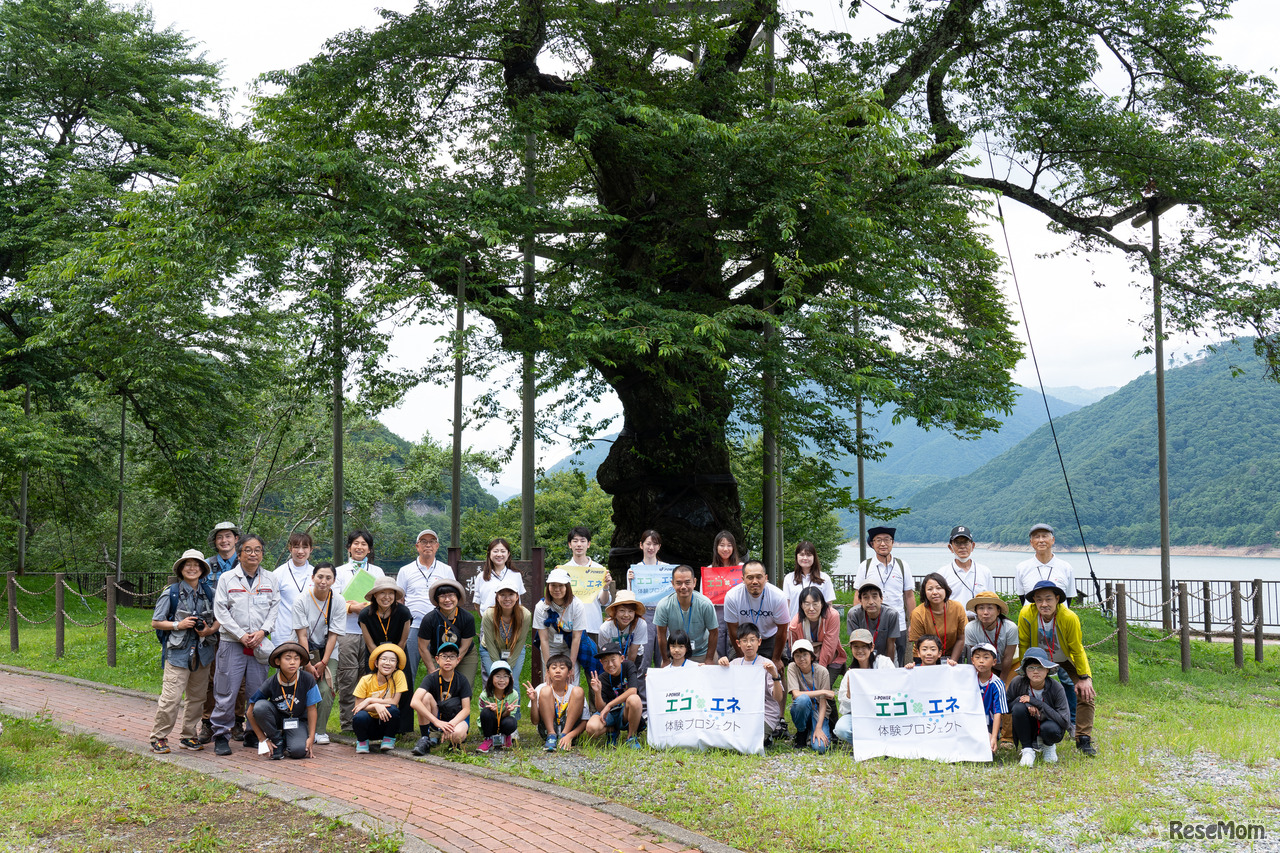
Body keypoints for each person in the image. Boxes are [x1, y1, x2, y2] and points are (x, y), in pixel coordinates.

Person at [211, 534, 279, 756]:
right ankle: (221, 734)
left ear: (262, 554)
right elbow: (221, 610)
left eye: (257, 550)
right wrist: (240, 635)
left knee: (257, 690)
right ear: (239, 554)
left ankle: (253, 733)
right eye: (248, 550)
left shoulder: (270, 579)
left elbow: (274, 609)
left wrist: (263, 632)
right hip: (233, 642)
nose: (253, 554)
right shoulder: (227, 579)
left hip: (259, 644)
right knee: (226, 690)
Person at [150, 549, 220, 754]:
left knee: (197, 698)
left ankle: (189, 736)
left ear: (202, 569)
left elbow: (220, 618)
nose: (192, 568)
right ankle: (159, 737)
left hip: (203, 652)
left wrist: (209, 630)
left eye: (196, 565)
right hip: (178, 653)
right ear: (181, 569)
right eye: (188, 564)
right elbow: (156, 622)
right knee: (171, 698)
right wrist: (178, 625)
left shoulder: (210, 593)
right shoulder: (170, 592)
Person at [1018, 580, 1098, 756]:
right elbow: (1023, 643)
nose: (1044, 604)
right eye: (1039, 600)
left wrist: (1084, 677)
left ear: (1057, 599)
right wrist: (1025, 670)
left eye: (1048, 599)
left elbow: (1077, 648)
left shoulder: (1069, 617)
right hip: (1039, 659)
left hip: (1065, 657)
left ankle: (1083, 738)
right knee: (1028, 692)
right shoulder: (1026, 614)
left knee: (1086, 693)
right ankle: (1033, 736)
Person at [333, 529, 384, 732]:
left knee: (368, 677)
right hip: (346, 631)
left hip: (371, 631)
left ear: (369, 549)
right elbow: (333, 599)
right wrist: (351, 607)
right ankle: (347, 724)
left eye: (364, 544)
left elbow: (385, 597)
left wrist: (368, 606)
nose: (359, 547)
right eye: (356, 543)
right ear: (348, 547)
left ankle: (366, 721)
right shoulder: (339, 571)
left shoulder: (377, 572)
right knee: (347, 677)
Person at [292, 561, 346, 745]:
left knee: (325, 688)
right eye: (320, 577)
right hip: (301, 649)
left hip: (327, 651)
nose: (323, 581)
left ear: (334, 580)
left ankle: (320, 731)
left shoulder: (338, 601)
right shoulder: (301, 600)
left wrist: (323, 662)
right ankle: (297, 726)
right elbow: (302, 634)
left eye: (328, 577)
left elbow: (333, 636)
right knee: (299, 686)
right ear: (313, 577)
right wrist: (307, 663)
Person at [199, 521, 240, 743]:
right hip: (212, 631)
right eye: (220, 537)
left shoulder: (246, 562)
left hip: (240, 632)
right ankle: (207, 722)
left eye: (228, 536)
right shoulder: (205, 565)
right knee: (211, 678)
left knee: (240, 679)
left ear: (236, 539)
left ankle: (237, 722)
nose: (224, 541)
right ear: (215, 542)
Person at [850, 527, 915, 666]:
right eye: (878, 540)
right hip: (870, 622)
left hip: (898, 623)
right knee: (868, 659)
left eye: (887, 540)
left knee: (898, 661)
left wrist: (913, 622)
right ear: (872, 544)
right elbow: (858, 594)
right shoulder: (865, 566)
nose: (883, 544)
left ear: (893, 542)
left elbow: (909, 595)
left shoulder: (902, 566)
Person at [246, 641, 320, 760]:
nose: (292, 662)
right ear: (277, 661)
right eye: (288, 658)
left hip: (297, 721)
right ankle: (277, 740)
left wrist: (311, 737)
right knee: (260, 707)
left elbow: (312, 709)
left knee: (299, 751)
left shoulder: (308, 680)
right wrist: (262, 739)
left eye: (296, 659)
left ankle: (286, 740)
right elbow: (250, 711)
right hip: (277, 721)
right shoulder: (271, 682)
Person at [359, 576, 415, 733]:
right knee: (373, 689)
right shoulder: (365, 615)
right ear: (375, 595)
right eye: (382, 593)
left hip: (399, 655)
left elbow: (403, 641)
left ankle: (403, 728)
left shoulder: (403, 612)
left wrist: (393, 662)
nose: (387, 597)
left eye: (391, 593)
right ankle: (373, 726)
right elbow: (369, 643)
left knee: (403, 688)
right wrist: (381, 662)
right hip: (374, 657)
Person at [398, 529, 457, 676]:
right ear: (417, 546)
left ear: (437, 546)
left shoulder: (446, 570)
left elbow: (453, 598)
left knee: (443, 666)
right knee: (407, 668)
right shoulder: (405, 570)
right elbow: (399, 599)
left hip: (440, 626)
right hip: (413, 626)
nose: (428, 545)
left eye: (432, 541)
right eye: (424, 541)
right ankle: (407, 699)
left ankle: (441, 698)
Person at [964, 590, 1018, 749]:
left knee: (1006, 693)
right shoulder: (971, 628)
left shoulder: (1010, 627)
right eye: (981, 608)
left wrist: (1002, 679)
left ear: (998, 611)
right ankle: (982, 732)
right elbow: (974, 655)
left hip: (1010, 664)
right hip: (985, 665)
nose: (985, 612)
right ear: (976, 611)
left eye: (990, 608)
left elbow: (1008, 656)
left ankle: (1007, 738)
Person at [718, 622, 784, 748]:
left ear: (759, 642)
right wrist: (720, 664)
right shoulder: (734, 664)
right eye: (744, 641)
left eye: (752, 640)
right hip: (740, 713)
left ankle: (766, 736)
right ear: (738, 643)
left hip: (765, 715)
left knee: (748, 744)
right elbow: (719, 686)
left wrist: (775, 675)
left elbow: (778, 698)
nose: (749, 644)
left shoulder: (767, 664)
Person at [1007, 647, 1071, 767]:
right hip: (1027, 724)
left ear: (1047, 670)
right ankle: (1027, 749)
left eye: (1040, 667)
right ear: (1025, 671)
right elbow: (1006, 707)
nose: (1035, 671)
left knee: (1049, 729)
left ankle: (1048, 745)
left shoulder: (1056, 688)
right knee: (1018, 708)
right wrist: (1025, 703)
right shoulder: (1017, 682)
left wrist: (1034, 701)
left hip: (1049, 725)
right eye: (1031, 667)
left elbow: (1064, 720)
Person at [723, 559, 789, 671]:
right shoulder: (732, 596)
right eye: (750, 577)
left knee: (777, 669)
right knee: (737, 669)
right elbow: (733, 631)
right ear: (743, 579)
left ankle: (781, 687)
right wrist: (741, 659)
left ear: (766, 578)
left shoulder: (778, 597)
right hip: (743, 637)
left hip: (769, 636)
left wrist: (776, 659)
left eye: (759, 577)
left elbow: (782, 630)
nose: (755, 581)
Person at [833, 628, 895, 745]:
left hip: (883, 713)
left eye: (864, 646)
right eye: (856, 647)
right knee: (841, 730)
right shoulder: (850, 674)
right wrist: (850, 694)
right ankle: (867, 744)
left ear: (872, 647)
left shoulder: (883, 663)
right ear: (850, 648)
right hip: (860, 715)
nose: (860, 650)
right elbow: (843, 709)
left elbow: (895, 687)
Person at [627, 529, 677, 667]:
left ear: (659, 547)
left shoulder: (667, 569)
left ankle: (664, 688)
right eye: (648, 543)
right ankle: (642, 688)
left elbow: (674, 593)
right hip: (643, 615)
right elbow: (630, 598)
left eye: (655, 544)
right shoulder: (634, 570)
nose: (651, 547)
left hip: (663, 613)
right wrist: (631, 582)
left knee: (665, 656)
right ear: (641, 545)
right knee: (644, 656)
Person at [410, 641, 471, 752]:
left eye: (452, 657)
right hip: (437, 716)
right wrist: (436, 721)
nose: (448, 660)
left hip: (456, 717)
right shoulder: (431, 678)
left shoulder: (462, 680)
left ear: (458, 660)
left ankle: (454, 743)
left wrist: (451, 725)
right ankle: (425, 739)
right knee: (425, 698)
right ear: (437, 659)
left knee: (457, 734)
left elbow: (466, 709)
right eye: (444, 656)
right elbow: (414, 701)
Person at [418, 577, 479, 689]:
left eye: (451, 595)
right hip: (437, 654)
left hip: (464, 655)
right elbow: (422, 647)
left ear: (457, 597)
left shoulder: (467, 618)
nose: (447, 600)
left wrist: (451, 663)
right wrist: (432, 670)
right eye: (442, 596)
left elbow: (465, 647)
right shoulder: (429, 619)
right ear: (437, 599)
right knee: (438, 688)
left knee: (464, 687)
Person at [557, 526, 614, 643]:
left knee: (593, 660)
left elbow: (604, 602)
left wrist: (606, 586)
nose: (579, 544)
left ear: (588, 544)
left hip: (592, 625)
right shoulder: (563, 571)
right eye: (575, 541)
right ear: (569, 544)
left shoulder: (599, 569)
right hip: (568, 626)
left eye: (583, 541)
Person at [654, 565, 718, 666]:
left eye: (687, 582)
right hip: (675, 653)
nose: (683, 587)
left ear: (694, 582)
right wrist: (666, 660)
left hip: (701, 652)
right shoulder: (664, 605)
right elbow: (661, 635)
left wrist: (709, 658)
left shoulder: (705, 604)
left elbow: (714, 632)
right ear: (672, 584)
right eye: (678, 583)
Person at [584, 642, 645, 747]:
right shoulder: (602, 678)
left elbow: (632, 691)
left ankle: (631, 737)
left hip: (625, 712)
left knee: (634, 699)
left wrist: (609, 705)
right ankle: (611, 729)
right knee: (591, 728)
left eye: (613, 659)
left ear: (621, 658)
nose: (610, 664)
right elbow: (601, 709)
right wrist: (597, 692)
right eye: (605, 661)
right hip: (611, 714)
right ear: (601, 663)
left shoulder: (628, 666)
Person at [523, 652, 587, 752]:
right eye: (554, 668)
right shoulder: (541, 688)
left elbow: (584, 721)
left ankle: (564, 734)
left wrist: (569, 736)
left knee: (579, 691)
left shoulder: (574, 690)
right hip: (546, 732)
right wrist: (534, 701)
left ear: (569, 672)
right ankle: (551, 734)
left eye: (562, 668)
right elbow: (535, 721)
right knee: (546, 690)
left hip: (570, 732)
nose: (557, 671)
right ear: (548, 672)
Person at [352, 643, 408, 754]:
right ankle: (362, 741)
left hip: (386, 722)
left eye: (392, 660)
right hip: (369, 724)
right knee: (359, 717)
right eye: (384, 659)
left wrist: (369, 700)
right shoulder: (365, 680)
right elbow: (358, 708)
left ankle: (388, 739)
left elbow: (394, 701)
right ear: (376, 663)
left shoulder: (398, 675)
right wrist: (375, 706)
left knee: (393, 709)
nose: (388, 663)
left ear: (396, 665)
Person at [533, 568, 587, 682]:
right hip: (551, 645)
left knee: (571, 678)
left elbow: (577, 638)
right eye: (553, 585)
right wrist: (548, 668)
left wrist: (571, 665)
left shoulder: (577, 605)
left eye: (561, 585)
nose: (557, 589)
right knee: (550, 679)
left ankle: (571, 699)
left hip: (570, 645)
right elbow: (544, 639)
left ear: (567, 587)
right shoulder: (541, 607)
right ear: (548, 587)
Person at [701, 530, 744, 660]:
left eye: (729, 545)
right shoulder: (708, 570)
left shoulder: (743, 568)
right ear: (716, 547)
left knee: (738, 642)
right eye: (722, 545)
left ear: (734, 547)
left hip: (737, 610)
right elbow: (703, 597)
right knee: (717, 643)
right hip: (716, 612)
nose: (725, 548)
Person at [786, 587, 846, 678]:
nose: (811, 608)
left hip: (831, 658)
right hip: (805, 660)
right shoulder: (795, 623)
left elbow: (830, 645)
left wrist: (819, 672)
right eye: (807, 604)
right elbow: (794, 649)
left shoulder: (833, 616)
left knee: (823, 688)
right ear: (801, 605)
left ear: (822, 604)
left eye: (815, 604)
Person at [907, 573, 967, 664]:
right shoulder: (918, 613)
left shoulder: (957, 608)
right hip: (925, 657)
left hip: (952, 655)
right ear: (924, 592)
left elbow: (961, 638)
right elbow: (920, 644)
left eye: (939, 588)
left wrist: (952, 661)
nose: (935, 592)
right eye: (930, 589)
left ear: (945, 590)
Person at [785, 639, 832, 753]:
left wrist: (819, 727)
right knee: (802, 699)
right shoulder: (792, 667)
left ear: (812, 656)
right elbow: (796, 694)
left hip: (818, 711)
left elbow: (823, 703)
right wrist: (822, 692)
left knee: (820, 748)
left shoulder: (822, 671)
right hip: (802, 708)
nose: (801, 659)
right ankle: (802, 732)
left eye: (805, 655)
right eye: (797, 656)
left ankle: (814, 728)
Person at [480, 577, 531, 683]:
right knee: (495, 681)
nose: (507, 598)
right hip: (489, 649)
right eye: (502, 595)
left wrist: (509, 668)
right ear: (497, 597)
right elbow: (490, 643)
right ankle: (490, 700)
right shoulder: (489, 614)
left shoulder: (525, 615)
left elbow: (521, 641)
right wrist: (499, 667)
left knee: (512, 681)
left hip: (515, 649)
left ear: (517, 597)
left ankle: (513, 700)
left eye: (511, 594)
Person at [936, 526, 993, 616]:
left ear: (972, 546)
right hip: (952, 622)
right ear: (950, 547)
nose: (962, 547)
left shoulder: (985, 572)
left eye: (966, 542)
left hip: (980, 622)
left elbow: (991, 600)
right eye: (957, 543)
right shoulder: (942, 573)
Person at [1015, 523, 1077, 605]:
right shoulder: (1021, 568)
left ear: (1053, 540)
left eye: (1044, 536)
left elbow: (1068, 596)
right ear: (1031, 542)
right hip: (1031, 617)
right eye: (1037, 537)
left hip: (1059, 617)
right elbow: (1022, 597)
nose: (1041, 540)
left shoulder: (1066, 567)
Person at [271, 532, 314, 641]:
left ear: (311, 549)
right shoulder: (278, 574)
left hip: (310, 632)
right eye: (296, 547)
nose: (300, 551)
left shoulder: (316, 574)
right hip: (283, 631)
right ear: (290, 549)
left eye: (305, 547)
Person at [845, 581, 899, 664]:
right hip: (863, 655)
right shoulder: (854, 614)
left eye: (874, 596)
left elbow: (890, 645)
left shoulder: (891, 614)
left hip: (886, 656)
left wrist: (888, 669)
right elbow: (856, 645)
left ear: (881, 598)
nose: (871, 602)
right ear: (860, 600)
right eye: (866, 597)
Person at [471, 536, 525, 618]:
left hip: (511, 621)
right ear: (489, 554)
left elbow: (518, 600)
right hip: (489, 621)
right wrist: (485, 619)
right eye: (495, 551)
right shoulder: (481, 576)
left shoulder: (516, 575)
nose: (499, 554)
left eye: (503, 551)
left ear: (508, 554)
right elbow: (477, 603)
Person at [969, 642, 1007, 756]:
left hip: (987, 724)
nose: (981, 661)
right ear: (972, 660)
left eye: (986, 657)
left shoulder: (997, 684)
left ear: (994, 662)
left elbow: (998, 713)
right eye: (977, 657)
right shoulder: (967, 678)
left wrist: (994, 737)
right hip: (968, 721)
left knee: (987, 750)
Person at [781, 541, 835, 617]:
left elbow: (828, 605)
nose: (805, 558)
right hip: (795, 624)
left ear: (814, 557)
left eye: (809, 555)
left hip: (818, 625)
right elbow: (786, 605)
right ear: (797, 556)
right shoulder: (789, 578)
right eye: (802, 555)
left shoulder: (824, 578)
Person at [475, 659, 520, 753]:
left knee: (511, 722)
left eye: (505, 676)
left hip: (503, 722)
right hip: (490, 724)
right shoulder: (485, 695)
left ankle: (506, 736)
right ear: (491, 678)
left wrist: (508, 711)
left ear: (510, 679)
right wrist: (493, 711)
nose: (502, 680)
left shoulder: (514, 694)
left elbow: (508, 716)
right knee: (486, 712)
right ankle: (488, 739)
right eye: (498, 676)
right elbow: (484, 717)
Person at [599, 591, 648, 672]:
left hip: (634, 656)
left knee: (631, 678)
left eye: (630, 611)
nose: (626, 615)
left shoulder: (641, 624)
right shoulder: (605, 628)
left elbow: (633, 651)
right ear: (615, 611)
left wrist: (626, 671)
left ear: (635, 612)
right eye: (622, 610)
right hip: (612, 658)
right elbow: (605, 653)